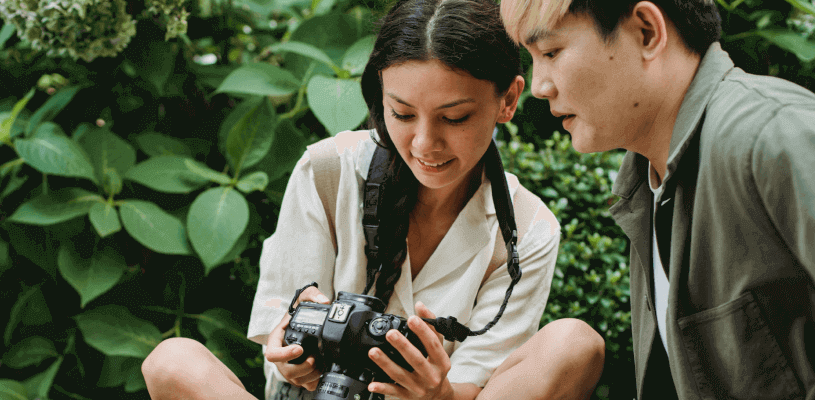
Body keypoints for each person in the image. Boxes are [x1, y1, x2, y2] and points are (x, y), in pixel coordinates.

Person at [141, 0, 606, 398]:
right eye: (401, 113)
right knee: (172, 360)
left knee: (575, 343)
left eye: (455, 117)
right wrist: (291, 360)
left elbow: (477, 386)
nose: (425, 143)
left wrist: (437, 392)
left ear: (508, 100)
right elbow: (278, 343)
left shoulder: (529, 230)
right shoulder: (328, 169)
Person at [499, 0, 815, 398]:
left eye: (551, 53)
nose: (540, 84)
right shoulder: (646, 185)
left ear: (647, 32)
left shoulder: (771, 135)